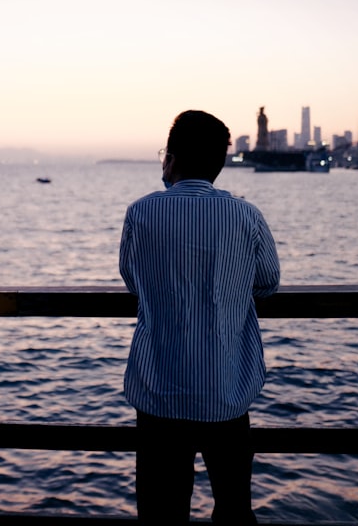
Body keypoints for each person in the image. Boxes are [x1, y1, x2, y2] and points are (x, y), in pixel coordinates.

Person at [120, 110, 280, 523]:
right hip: (226, 390)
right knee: (233, 509)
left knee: (160, 513)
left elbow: (132, 280)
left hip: (160, 388)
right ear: (219, 164)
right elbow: (268, 282)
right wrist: (229, 288)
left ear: (170, 158)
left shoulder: (141, 213)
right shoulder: (247, 217)